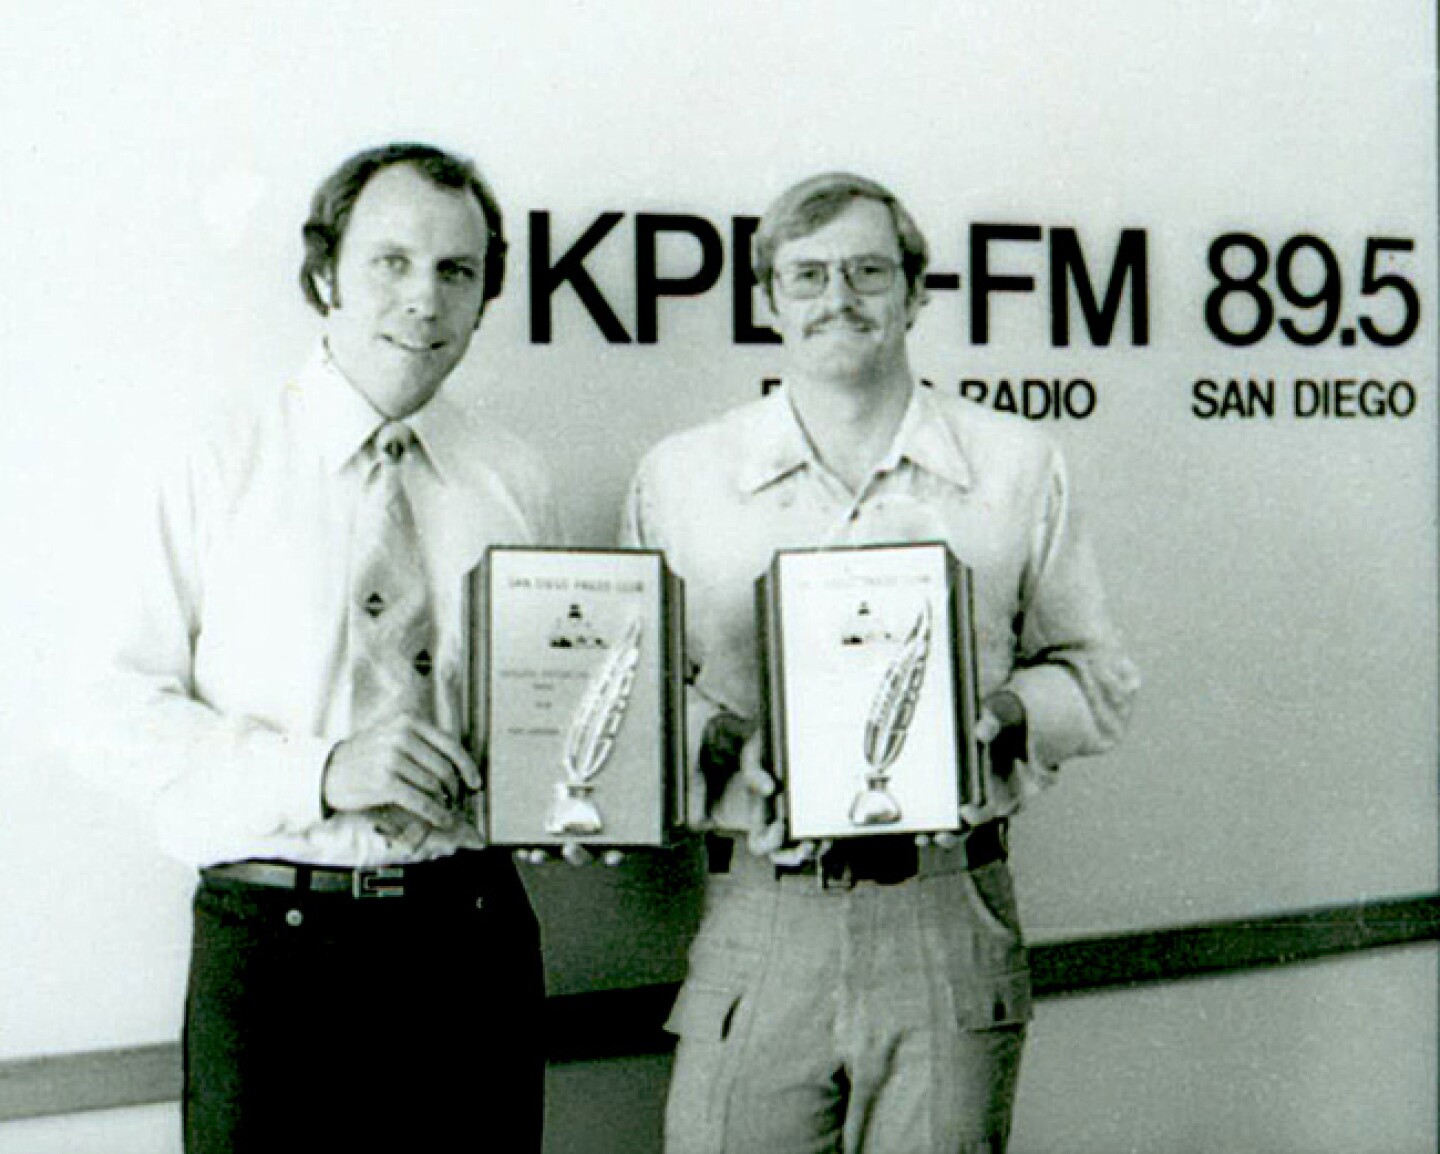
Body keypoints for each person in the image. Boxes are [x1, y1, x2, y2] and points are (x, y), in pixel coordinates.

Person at [623, 173, 1140, 1153]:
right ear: (766, 300)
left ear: (915, 292)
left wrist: (1002, 714)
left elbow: (1099, 672)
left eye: (868, 270)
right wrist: (729, 742)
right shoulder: (682, 475)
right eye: (807, 274)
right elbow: (635, 696)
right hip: (761, 907)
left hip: (946, 904)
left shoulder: (1017, 462)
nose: (838, 297)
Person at [98, 142, 558, 1152]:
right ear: (324, 274)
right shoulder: (213, 453)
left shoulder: (514, 480)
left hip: (472, 938)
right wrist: (324, 770)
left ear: (484, 298)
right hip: (277, 953)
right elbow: (108, 704)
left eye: (457, 271)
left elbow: (550, 707)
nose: (423, 300)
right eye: (390, 261)